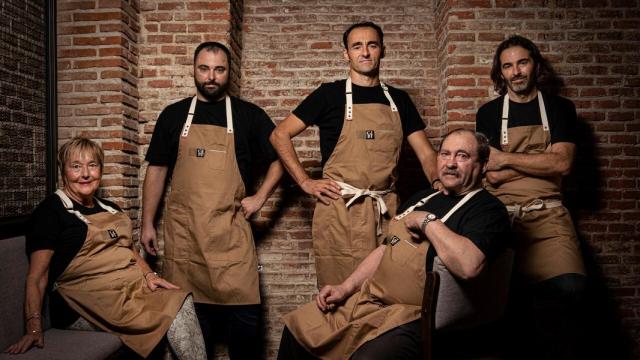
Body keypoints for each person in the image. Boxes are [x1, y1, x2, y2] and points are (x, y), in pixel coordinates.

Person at [277, 129, 510, 359]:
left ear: (484, 165)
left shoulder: (487, 210)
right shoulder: (421, 198)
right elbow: (386, 250)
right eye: (445, 154)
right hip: (370, 301)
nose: (450, 163)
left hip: (413, 316)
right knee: (298, 330)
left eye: (462, 156)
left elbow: (469, 266)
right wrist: (345, 289)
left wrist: (427, 221)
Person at [270, 21, 440, 289]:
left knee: (389, 291)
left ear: (382, 50)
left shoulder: (399, 100)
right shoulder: (329, 95)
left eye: (372, 45)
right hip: (339, 213)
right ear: (346, 54)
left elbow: (427, 155)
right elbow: (279, 135)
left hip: (387, 211)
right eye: (357, 46)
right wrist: (305, 182)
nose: (365, 52)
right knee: (338, 293)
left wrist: (441, 186)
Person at [141, 41, 283, 359]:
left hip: (231, 242)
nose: (211, 76)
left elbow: (281, 158)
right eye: (204, 68)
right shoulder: (174, 115)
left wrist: (260, 198)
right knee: (192, 342)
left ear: (228, 73)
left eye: (219, 70)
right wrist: (147, 222)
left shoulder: (249, 116)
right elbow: (157, 170)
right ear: (194, 69)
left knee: (246, 336)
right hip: (186, 242)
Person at [3, 137, 205, 359]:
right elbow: (37, 277)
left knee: (178, 297)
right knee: (174, 308)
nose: (86, 174)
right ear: (63, 171)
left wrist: (148, 274)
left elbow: (128, 250)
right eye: (76, 166)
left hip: (128, 291)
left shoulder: (110, 208)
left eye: (92, 165)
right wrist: (33, 326)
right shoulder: (50, 213)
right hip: (84, 303)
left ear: (101, 169)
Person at [475, 35, 587, 359]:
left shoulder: (561, 108)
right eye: (507, 66)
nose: (516, 72)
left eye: (522, 62)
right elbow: (490, 174)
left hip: (549, 214)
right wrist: (542, 160)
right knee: (503, 304)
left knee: (572, 290)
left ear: (535, 65)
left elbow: (563, 164)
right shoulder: (489, 113)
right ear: (501, 73)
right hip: (502, 216)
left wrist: (508, 157)